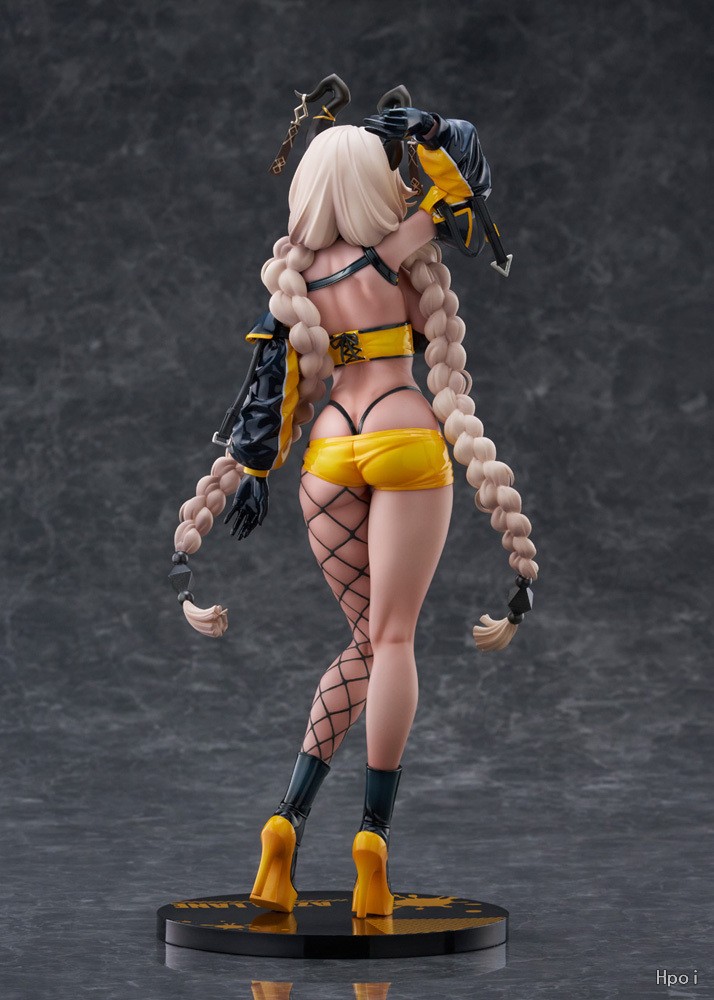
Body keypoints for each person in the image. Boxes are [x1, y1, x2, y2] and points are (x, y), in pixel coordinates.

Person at [169, 93, 537, 919]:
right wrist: (434, 133)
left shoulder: (297, 284)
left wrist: (253, 473)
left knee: (364, 643)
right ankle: (373, 839)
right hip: (403, 436)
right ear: (372, 182)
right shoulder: (392, 252)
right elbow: (467, 192)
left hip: (330, 455)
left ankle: (285, 822)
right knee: (393, 639)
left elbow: (268, 393)